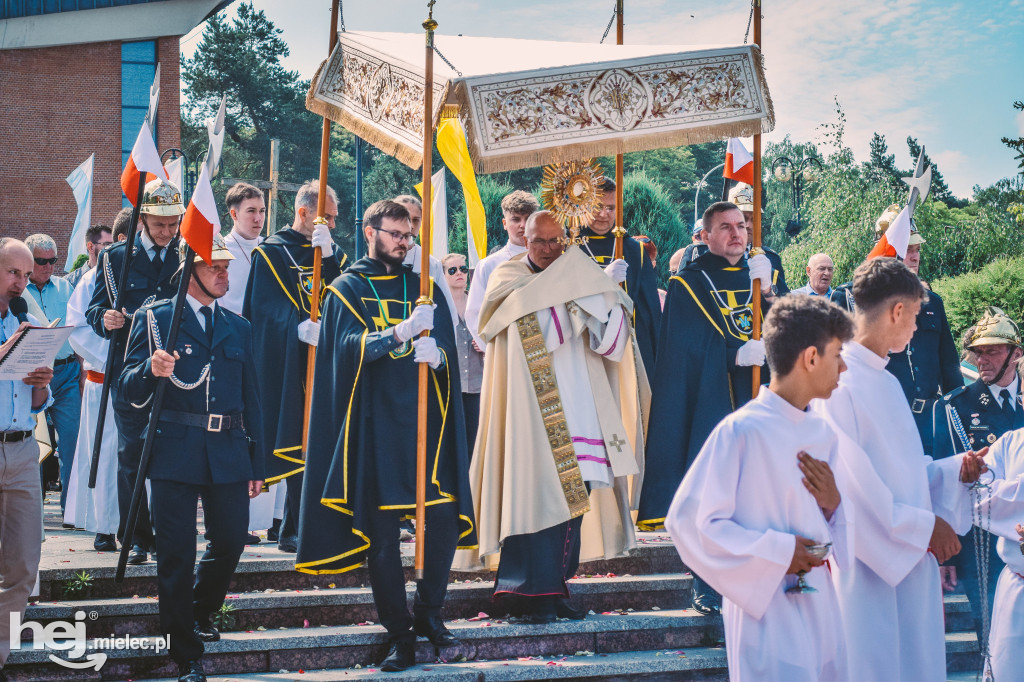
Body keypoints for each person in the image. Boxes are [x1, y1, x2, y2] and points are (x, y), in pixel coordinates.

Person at [296, 200, 476, 673]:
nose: (403, 241)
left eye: (408, 233)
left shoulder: (424, 286)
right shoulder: (345, 289)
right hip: (374, 432)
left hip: (426, 430)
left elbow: (449, 357)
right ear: (369, 229)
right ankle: (399, 633)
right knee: (381, 539)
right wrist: (398, 333)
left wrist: (439, 359)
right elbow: (343, 351)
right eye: (394, 233)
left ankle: (429, 614)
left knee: (444, 522)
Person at [455, 210, 647, 625]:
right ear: (524, 239)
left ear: (568, 240)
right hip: (529, 414)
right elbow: (535, 335)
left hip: (578, 405)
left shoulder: (582, 276)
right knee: (534, 496)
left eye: (556, 241)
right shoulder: (508, 278)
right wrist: (583, 295)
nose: (547, 249)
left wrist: (609, 297)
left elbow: (612, 346)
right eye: (539, 241)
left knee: (574, 502)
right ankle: (524, 594)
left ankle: (558, 587)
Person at [813, 256, 985, 682]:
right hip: (868, 569)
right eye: (915, 316)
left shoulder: (887, 381)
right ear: (897, 311)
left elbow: (901, 474)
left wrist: (951, 470)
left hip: (906, 559)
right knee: (874, 665)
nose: (916, 329)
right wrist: (923, 527)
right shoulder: (840, 380)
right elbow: (850, 487)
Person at [666, 295, 854, 680]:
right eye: (837, 354)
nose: (844, 366)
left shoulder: (822, 433)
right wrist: (780, 552)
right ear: (811, 358)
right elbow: (689, 522)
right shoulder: (741, 431)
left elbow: (832, 525)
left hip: (822, 605)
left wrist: (834, 505)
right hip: (766, 608)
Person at [119, 236, 265, 682]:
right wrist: (150, 370)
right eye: (215, 267)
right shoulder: (156, 319)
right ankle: (185, 652)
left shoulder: (238, 326)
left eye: (226, 268)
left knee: (231, 540)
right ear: (193, 270)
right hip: (174, 448)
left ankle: (199, 612)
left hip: (227, 449)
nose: (225, 275)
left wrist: (257, 463)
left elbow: (252, 397)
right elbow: (125, 386)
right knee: (177, 553)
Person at [636, 201, 773, 614]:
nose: (736, 233)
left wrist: (768, 294)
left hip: (763, 402)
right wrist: (733, 355)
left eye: (741, 226)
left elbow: (798, 329)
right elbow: (684, 349)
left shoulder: (763, 276)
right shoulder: (687, 284)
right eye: (725, 227)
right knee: (715, 496)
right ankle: (707, 583)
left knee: (762, 492)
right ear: (707, 235)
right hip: (712, 405)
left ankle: (761, 571)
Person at [87, 177, 185, 565]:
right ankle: (137, 537)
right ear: (142, 218)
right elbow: (95, 309)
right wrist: (105, 318)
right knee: (132, 456)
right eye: (160, 223)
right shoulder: (115, 257)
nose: (167, 232)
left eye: (173, 223)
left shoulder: (185, 252)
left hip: (177, 365)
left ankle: (169, 533)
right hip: (130, 368)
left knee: (174, 454)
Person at [243, 180, 344, 554]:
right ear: (304, 213)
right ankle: (292, 528)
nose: (331, 225)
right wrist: (297, 324)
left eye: (333, 220)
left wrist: (330, 256)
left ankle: (311, 526)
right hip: (291, 364)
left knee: (323, 445)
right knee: (298, 443)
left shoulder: (330, 250)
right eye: (326, 218)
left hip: (327, 363)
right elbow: (261, 310)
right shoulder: (270, 253)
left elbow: (343, 296)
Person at [832, 206, 962, 455]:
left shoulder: (932, 301)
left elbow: (949, 366)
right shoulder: (850, 298)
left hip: (929, 422)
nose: (915, 257)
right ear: (889, 252)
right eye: (907, 250)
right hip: (879, 419)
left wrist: (957, 413)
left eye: (917, 250)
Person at [933, 307, 1024, 641]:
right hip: (981, 547)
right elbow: (943, 482)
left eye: (992, 351)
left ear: (1016, 354)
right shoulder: (955, 407)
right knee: (991, 637)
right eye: (977, 353)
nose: (982, 360)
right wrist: (948, 556)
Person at [0, 238, 54, 681]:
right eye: (13, 273)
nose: (21, 282)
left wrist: (40, 378)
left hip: (21, 450)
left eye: (25, 273)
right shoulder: (18, 330)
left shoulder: (27, 320)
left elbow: (36, 402)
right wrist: (11, 351)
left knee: (22, 564)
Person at [63, 219, 129, 551]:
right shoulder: (94, 279)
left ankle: (139, 527)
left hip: (138, 382)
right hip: (104, 379)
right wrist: (113, 361)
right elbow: (77, 327)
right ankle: (105, 526)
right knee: (104, 457)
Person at [219, 182, 277, 545]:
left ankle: (269, 518)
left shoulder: (273, 251)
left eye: (262, 211)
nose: (258, 218)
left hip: (267, 352)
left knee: (266, 429)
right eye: (251, 211)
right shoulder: (220, 249)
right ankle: (233, 519)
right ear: (234, 213)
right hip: (231, 351)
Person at [579, 178, 662, 373]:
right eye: (597, 206)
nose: (603, 214)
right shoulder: (566, 245)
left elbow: (649, 310)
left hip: (625, 349)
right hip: (580, 346)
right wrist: (602, 280)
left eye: (611, 208)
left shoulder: (634, 250)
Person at [24, 233, 80, 513]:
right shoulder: (18, 291)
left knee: (71, 442)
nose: (48, 266)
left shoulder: (66, 288)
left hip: (67, 372)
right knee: (32, 445)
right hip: (31, 377)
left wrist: (82, 370)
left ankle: (69, 508)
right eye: (40, 261)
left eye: (52, 261)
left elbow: (78, 329)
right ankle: (33, 507)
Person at [464, 190, 539, 350]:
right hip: (504, 349)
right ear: (504, 223)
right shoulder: (489, 265)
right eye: (516, 219)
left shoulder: (550, 260)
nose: (523, 225)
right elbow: (475, 314)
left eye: (528, 219)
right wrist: (494, 350)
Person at [393, 194, 458, 331]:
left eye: (415, 220)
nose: (410, 226)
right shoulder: (380, 257)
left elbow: (449, 313)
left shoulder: (431, 264)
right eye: (404, 218)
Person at [442, 253, 484, 450]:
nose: (459, 273)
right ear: (444, 275)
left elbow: (493, 337)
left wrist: (484, 344)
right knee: (451, 442)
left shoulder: (479, 306)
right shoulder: (440, 307)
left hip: (478, 384)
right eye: (453, 270)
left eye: (463, 269)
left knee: (475, 442)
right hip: (450, 385)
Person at [729, 183, 789, 296]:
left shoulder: (771, 259)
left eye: (754, 219)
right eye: (742, 218)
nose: (748, 225)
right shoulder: (705, 256)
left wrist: (768, 292)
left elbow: (786, 307)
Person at [65, 224, 114, 290]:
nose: (113, 249)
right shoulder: (69, 283)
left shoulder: (117, 279)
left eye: (114, 245)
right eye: (108, 245)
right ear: (91, 247)